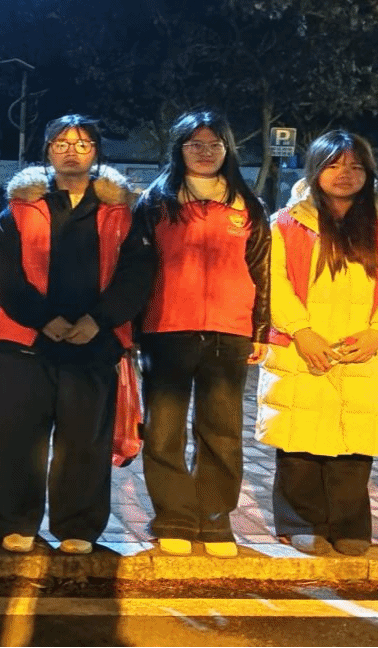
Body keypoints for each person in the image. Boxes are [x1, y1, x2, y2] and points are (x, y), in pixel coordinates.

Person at [0, 115, 153, 554]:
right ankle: (16, 522)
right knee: (17, 439)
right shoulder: (19, 209)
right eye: (61, 142)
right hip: (26, 341)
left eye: (82, 143)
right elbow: (3, 274)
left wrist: (99, 320)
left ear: (96, 151)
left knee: (84, 441)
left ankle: (77, 525)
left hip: (94, 343)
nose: (71, 150)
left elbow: (137, 274)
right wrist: (43, 318)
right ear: (47, 151)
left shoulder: (121, 212)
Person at [256, 131, 378, 556]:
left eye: (354, 166)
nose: (344, 174)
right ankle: (299, 521)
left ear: (369, 172)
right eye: (333, 165)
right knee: (299, 441)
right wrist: (301, 330)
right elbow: (271, 281)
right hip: (301, 347)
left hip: (365, 349)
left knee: (355, 441)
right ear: (315, 170)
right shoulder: (285, 224)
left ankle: (349, 523)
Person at [131, 110, 269, 558]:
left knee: (222, 430)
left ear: (227, 149)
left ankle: (214, 516)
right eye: (195, 144)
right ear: (180, 149)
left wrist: (261, 328)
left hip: (229, 330)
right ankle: (173, 516)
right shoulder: (156, 201)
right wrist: (132, 328)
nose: (205, 152)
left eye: (214, 144)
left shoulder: (247, 205)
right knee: (163, 430)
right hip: (166, 328)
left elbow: (261, 269)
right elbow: (136, 268)